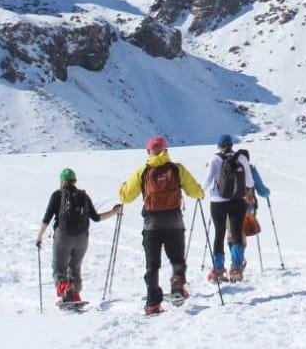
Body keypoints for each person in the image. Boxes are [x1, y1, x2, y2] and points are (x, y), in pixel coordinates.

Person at [119, 135, 205, 315]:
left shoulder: (143, 171)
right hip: (174, 221)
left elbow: (126, 197)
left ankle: (153, 303)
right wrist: (200, 194)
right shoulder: (176, 169)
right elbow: (195, 191)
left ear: (148, 152)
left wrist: (122, 188)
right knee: (177, 259)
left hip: (152, 224)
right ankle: (177, 282)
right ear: (166, 151)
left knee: (152, 265)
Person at [34, 167, 121, 306]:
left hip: (63, 237)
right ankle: (74, 293)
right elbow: (96, 218)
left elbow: (47, 218)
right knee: (75, 266)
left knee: (59, 266)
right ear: (74, 181)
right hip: (82, 238)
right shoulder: (83, 196)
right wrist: (114, 211)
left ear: (62, 181)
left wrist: (39, 237)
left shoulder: (57, 195)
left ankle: (64, 291)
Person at [203, 134, 255, 283]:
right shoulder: (242, 158)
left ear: (219, 145)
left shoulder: (215, 159)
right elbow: (250, 182)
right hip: (238, 200)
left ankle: (218, 270)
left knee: (219, 234)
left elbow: (207, 181)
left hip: (218, 201)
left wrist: (198, 192)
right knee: (237, 232)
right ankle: (237, 268)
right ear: (232, 145)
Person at [227, 148, 270, 259]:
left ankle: (236, 261)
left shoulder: (228, 167)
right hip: (247, 208)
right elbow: (262, 191)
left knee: (232, 235)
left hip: (228, 207)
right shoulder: (251, 170)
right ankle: (237, 263)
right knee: (241, 235)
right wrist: (267, 193)